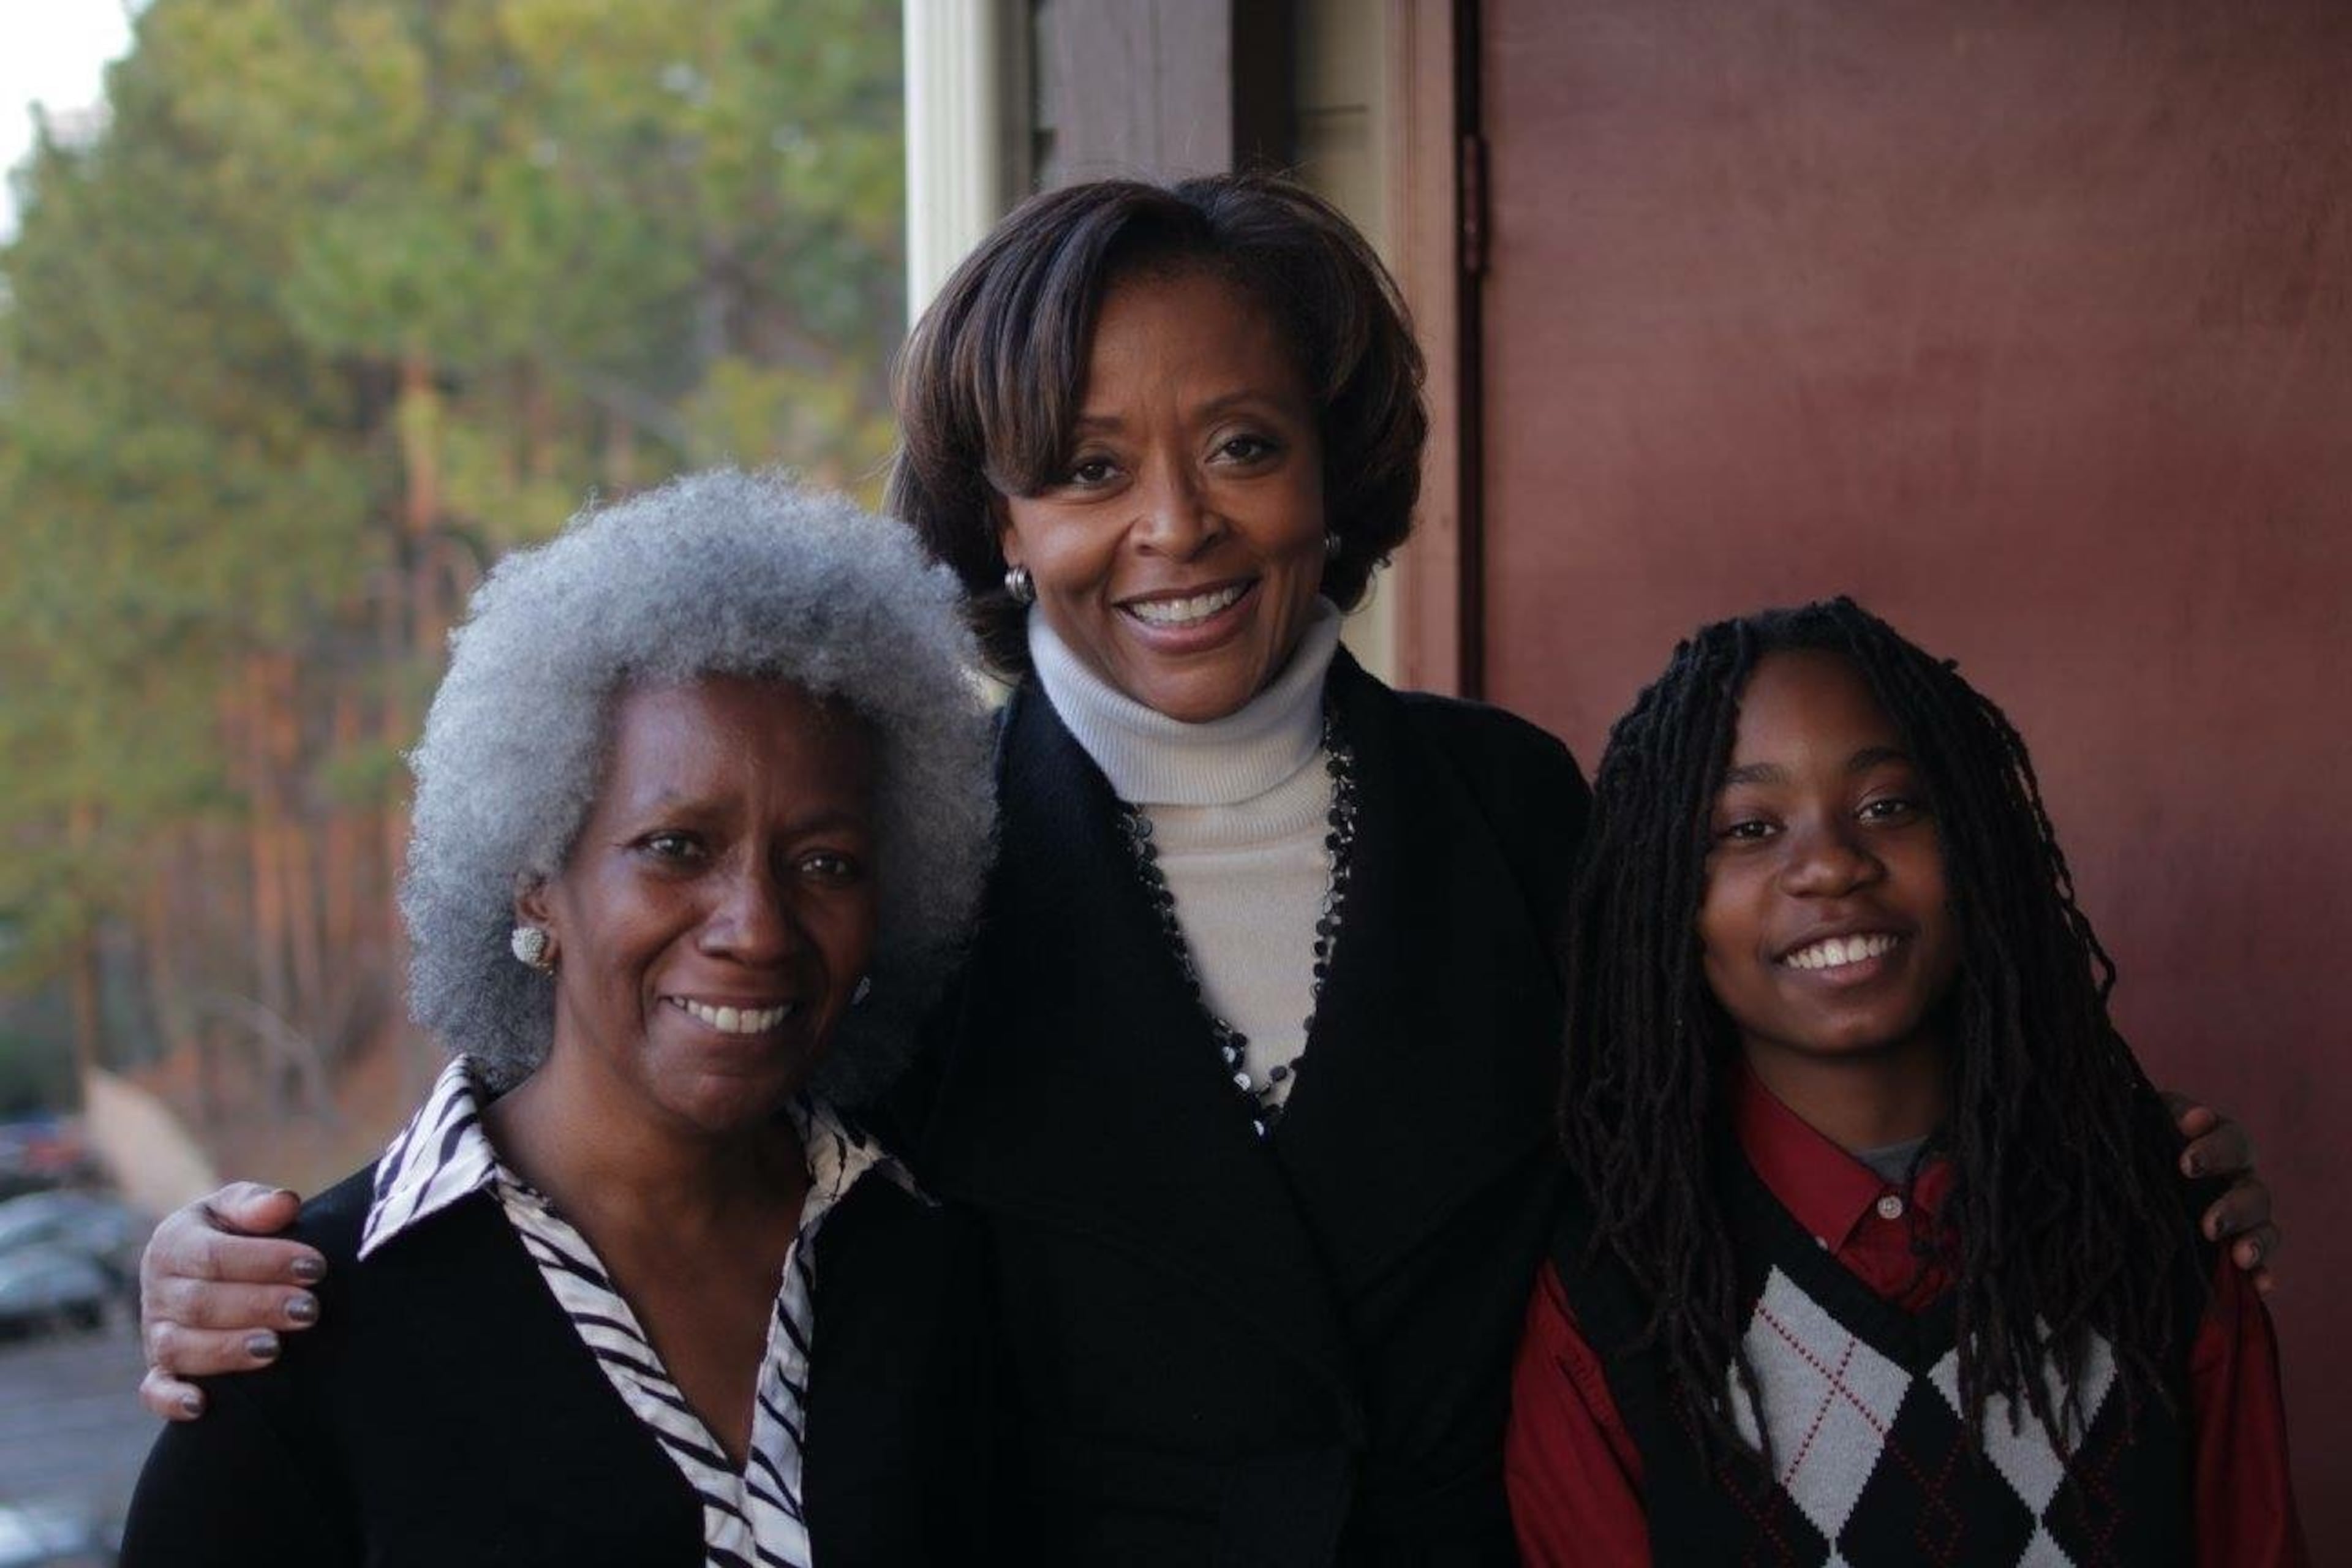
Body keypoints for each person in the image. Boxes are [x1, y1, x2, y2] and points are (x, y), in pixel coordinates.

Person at [133, 177, 2279, 1564]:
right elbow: (635, 1148)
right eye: (1084, 470)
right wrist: (245, 1272)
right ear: (992, 522)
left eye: (1241, 446)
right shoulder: (887, 877)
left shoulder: (1527, 813)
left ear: (1339, 470)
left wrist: (2099, 1180)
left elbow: (1752, 1144)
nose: (1173, 528)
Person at [120, 472, 998, 1566]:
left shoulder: (927, 1274)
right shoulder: (299, 1322)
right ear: (538, 879)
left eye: (824, 863)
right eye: (678, 847)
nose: (758, 927)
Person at [1506, 599, 2305, 1566]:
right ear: (1669, 904)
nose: (1833, 865)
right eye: (1749, 827)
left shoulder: (2148, 1223)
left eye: (1888, 806)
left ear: (1978, 844)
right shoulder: (1615, 1295)